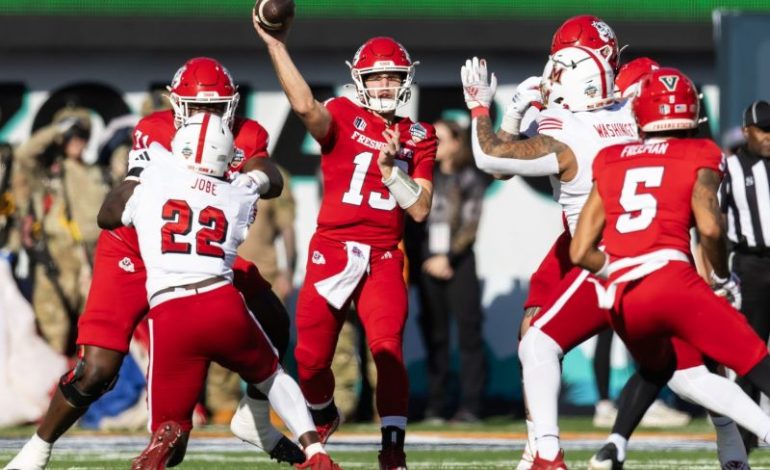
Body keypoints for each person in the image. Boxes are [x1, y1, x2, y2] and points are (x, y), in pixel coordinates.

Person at [3, 57, 304, 470]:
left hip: (197, 257)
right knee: (97, 370)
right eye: (197, 108)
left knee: (274, 320)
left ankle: (255, 420)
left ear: (231, 106)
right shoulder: (155, 131)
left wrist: (254, 177)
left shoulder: (247, 134)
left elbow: (269, 173)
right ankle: (37, 449)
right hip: (134, 250)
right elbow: (112, 213)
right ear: (175, 106)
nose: (206, 117)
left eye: (216, 108)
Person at [96, 112, 341, 470]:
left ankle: (159, 448)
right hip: (221, 302)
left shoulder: (154, 180)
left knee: (170, 427)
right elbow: (263, 180)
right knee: (273, 374)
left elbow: (108, 217)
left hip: (169, 311)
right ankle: (315, 451)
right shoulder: (237, 193)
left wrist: (139, 172)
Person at [254, 12, 437, 469]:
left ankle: (393, 446)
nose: (385, 86)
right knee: (311, 359)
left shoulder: (420, 135)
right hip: (332, 248)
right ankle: (323, 412)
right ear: (360, 81)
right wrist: (277, 45)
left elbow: (419, 208)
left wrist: (393, 174)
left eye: (394, 77)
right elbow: (303, 107)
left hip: (382, 255)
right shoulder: (342, 113)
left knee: (387, 349)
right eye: (377, 78)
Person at [571, 67, 770, 470]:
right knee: (755, 359)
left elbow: (580, 251)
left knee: (660, 366)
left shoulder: (610, 159)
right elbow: (711, 227)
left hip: (624, 295)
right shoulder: (700, 152)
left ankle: (615, 445)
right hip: (672, 279)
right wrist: (720, 276)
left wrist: (621, 268)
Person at [13, 107, 110, 355]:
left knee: (95, 341)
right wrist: (58, 130)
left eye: (82, 134)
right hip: (55, 264)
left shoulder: (99, 173)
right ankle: (51, 391)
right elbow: (25, 155)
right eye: (72, 134)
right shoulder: (46, 174)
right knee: (53, 338)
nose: (77, 140)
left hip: (93, 263)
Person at [419, 119, 490, 423]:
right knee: (434, 334)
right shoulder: (425, 176)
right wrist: (428, 257)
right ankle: (436, 404)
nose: (435, 144)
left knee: (468, 333)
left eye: (441, 139)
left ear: (457, 143)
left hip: (459, 263)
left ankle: (471, 405)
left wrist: (448, 256)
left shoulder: (469, 177)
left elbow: (471, 224)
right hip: (427, 261)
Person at [719, 99, 770, 453]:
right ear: (748, 131)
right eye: (764, 130)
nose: (769, 137)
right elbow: (714, 223)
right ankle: (747, 437)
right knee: (749, 352)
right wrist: (716, 273)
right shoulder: (730, 168)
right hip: (750, 266)